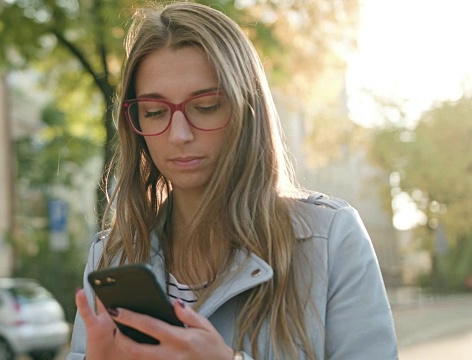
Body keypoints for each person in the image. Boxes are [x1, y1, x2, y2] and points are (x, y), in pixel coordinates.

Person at [68, 2, 398, 359]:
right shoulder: (111, 258)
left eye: (206, 106)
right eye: (155, 112)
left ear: (247, 109)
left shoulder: (330, 241)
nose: (179, 134)